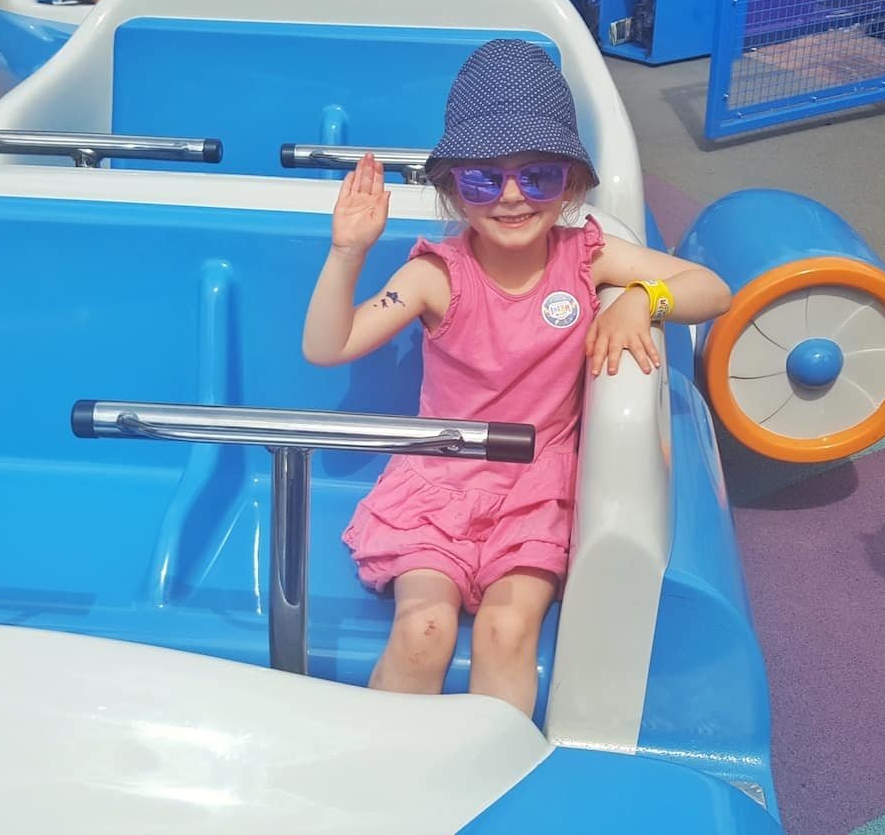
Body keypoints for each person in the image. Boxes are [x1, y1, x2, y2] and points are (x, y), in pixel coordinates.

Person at [301, 39, 731, 719]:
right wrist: (347, 253)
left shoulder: (585, 256)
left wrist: (644, 299)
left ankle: (488, 789)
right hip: (439, 482)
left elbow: (709, 287)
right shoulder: (435, 275)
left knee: (506, 631)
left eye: (538, 177)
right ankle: (379, 782)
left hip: (536, 485)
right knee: (423, 632)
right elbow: (331, 346)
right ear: (452, 189)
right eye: (482, 179)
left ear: (573, 185)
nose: (510, 197)